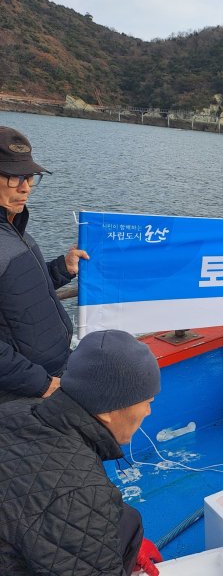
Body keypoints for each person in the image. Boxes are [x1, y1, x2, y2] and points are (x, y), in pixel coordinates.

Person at [0, 329, 163, 575]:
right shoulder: (81, 493)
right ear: (108, 409)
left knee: (123, 519)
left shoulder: (18, 410)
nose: (148, 412)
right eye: (147, 402)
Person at [0, 126, 89, 404]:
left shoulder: (15, 230)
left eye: (29, 177)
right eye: (14, 177)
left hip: (54, 372)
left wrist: (63, 267)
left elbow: (21, 292)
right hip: (25, 391)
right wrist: (41, 384)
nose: (25, 187)